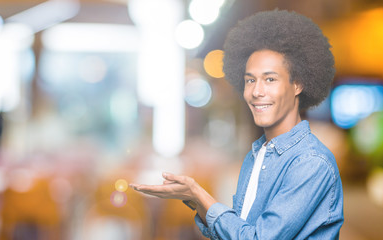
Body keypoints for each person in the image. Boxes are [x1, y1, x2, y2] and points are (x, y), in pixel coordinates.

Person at [130, 9, 344, 239]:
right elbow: (240, 230)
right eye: (250, 80)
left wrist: (199, 196)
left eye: (270, 79)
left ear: (297, 85)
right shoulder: (257, 155)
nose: (256, 91)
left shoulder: (311, 163)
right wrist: (196, 199)